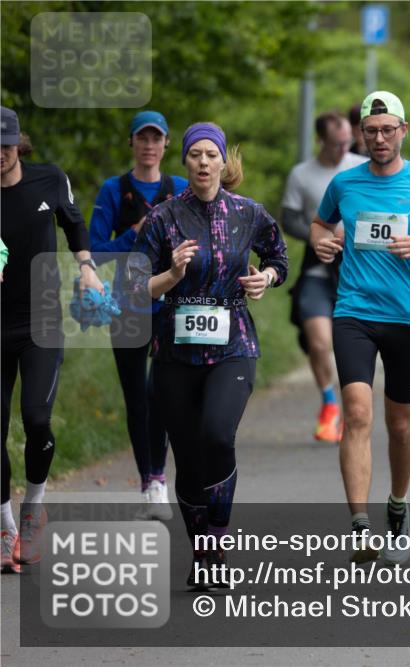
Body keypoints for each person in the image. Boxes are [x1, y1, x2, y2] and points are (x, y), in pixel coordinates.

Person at [127, 122, 288, 588]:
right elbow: (135, 288)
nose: (202, 162)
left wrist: (267, 280)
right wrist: (172, 275)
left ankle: (216, 540)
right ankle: (203, 556)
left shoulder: (248, 213)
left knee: (217, 436)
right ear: (185, 162)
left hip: (234, 345)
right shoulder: (163, 218)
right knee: (190, 456)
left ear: (223, 162)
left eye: (210, 154)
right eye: (194, 154)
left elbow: (279, 258)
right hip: (176, 352)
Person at [310, 91, 410, 566]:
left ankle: (397, 505)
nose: (379, 138)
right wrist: (321, 244)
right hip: (354, 312)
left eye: (387, 129)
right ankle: (360, 526)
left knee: (400, 424)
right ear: (361, 133)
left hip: (409, 316)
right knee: (357, 413)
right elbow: (320, 225)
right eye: (371, 130)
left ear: (403, 132)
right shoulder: (344, 183)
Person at [1, 106, 104, 571]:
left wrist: (86, 267)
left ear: (18, 144)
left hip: (41, 321)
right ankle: (4, 526)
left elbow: (74, 224)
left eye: (5, 147)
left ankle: (33, 508)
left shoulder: (48, 179)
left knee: (37, 419)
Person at [89, 111, 187, 519]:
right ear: (131, 143)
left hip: (170, 303)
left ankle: (161, 478)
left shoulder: (179, 188)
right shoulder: (115, 190)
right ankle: (148, 482)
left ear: (166, 145)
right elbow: (94, 253)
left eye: (156, 138)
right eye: (142, 138)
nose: (149, 145)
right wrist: (135, 233)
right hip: (126, 304)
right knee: (136, 398)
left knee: (160, 392)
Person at [282, 111, 367, 443]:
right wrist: (319, 236)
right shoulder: (302, 175)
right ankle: (329, 403)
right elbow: (289, 219)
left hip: (355, 272)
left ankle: (352, 409)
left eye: (348, 140)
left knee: (352, 347)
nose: (344, 147)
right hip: (318, 270)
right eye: (336, 143)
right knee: (319, 342)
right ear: (320, 141)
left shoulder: (360, 167)